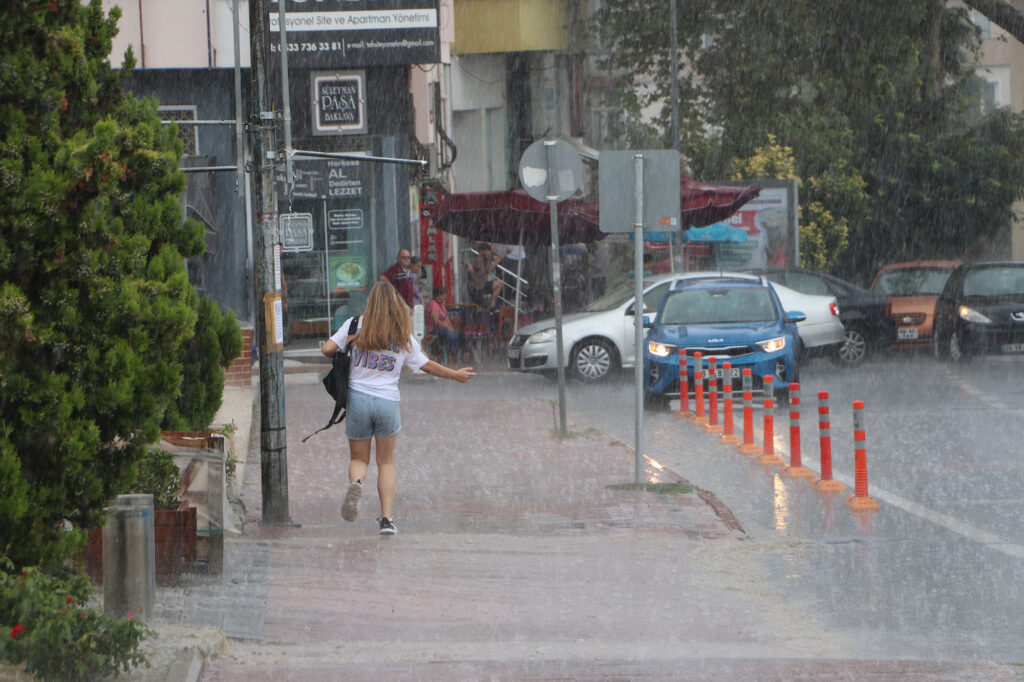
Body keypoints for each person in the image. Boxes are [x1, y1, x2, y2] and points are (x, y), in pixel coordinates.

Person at [321, 281, 475, 535]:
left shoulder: (354, 325)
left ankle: (357, 483)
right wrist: (455, 375)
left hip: (358, 400)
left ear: (371, 303)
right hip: (388, 402)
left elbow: (327, 350)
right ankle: (386, 520)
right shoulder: (401, 333)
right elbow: (426, 365)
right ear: (395, 304)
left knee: (360, 458)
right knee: (386, 462)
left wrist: (350, 340)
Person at [462, 242, 502, 311]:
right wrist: (469, 264)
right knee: (483, 307)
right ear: (481, 251)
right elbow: (463, 261)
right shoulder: (476, 260)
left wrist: (494, 263)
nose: (488, 253)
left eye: (489, 251)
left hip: (483, 285)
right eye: (487, 251)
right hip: (475, 288)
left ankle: (492, 306)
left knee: (499, 283)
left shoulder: (488, 259)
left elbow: (500, 257)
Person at [424, 285, 461, 360]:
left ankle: (452, 354)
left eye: (444, 296)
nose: (444, 298)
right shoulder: (433, 304)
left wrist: (451, 328)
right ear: (437, 296)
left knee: (457, 334)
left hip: (444, 329)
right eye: (442, 296)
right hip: (434, 329)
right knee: (450, 335)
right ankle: (451, 355)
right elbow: (436, 321)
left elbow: (447, 318)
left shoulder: (441, 305)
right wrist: (447, 328)